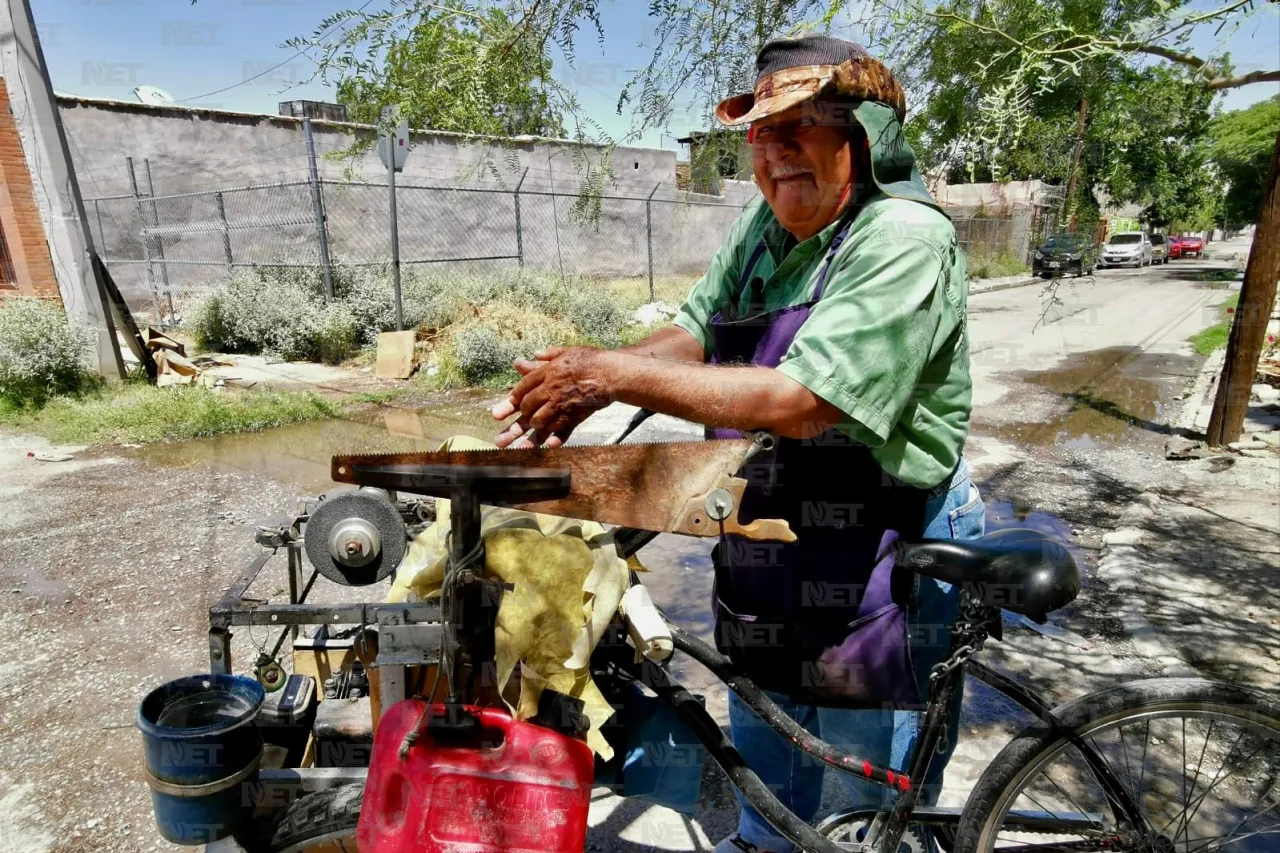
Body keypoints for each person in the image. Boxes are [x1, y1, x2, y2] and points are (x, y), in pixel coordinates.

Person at [491, 34, 984, 853]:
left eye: (803, 126)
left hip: (887, 548)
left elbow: (800, 400)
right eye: (762, 132)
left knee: (869, 798)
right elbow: (694, 329)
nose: (776, 150)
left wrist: (609, 377)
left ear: (864, 137)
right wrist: (585, 379)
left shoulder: (901, 236)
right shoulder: (765, 223)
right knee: (767, 761)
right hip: (775, 532)